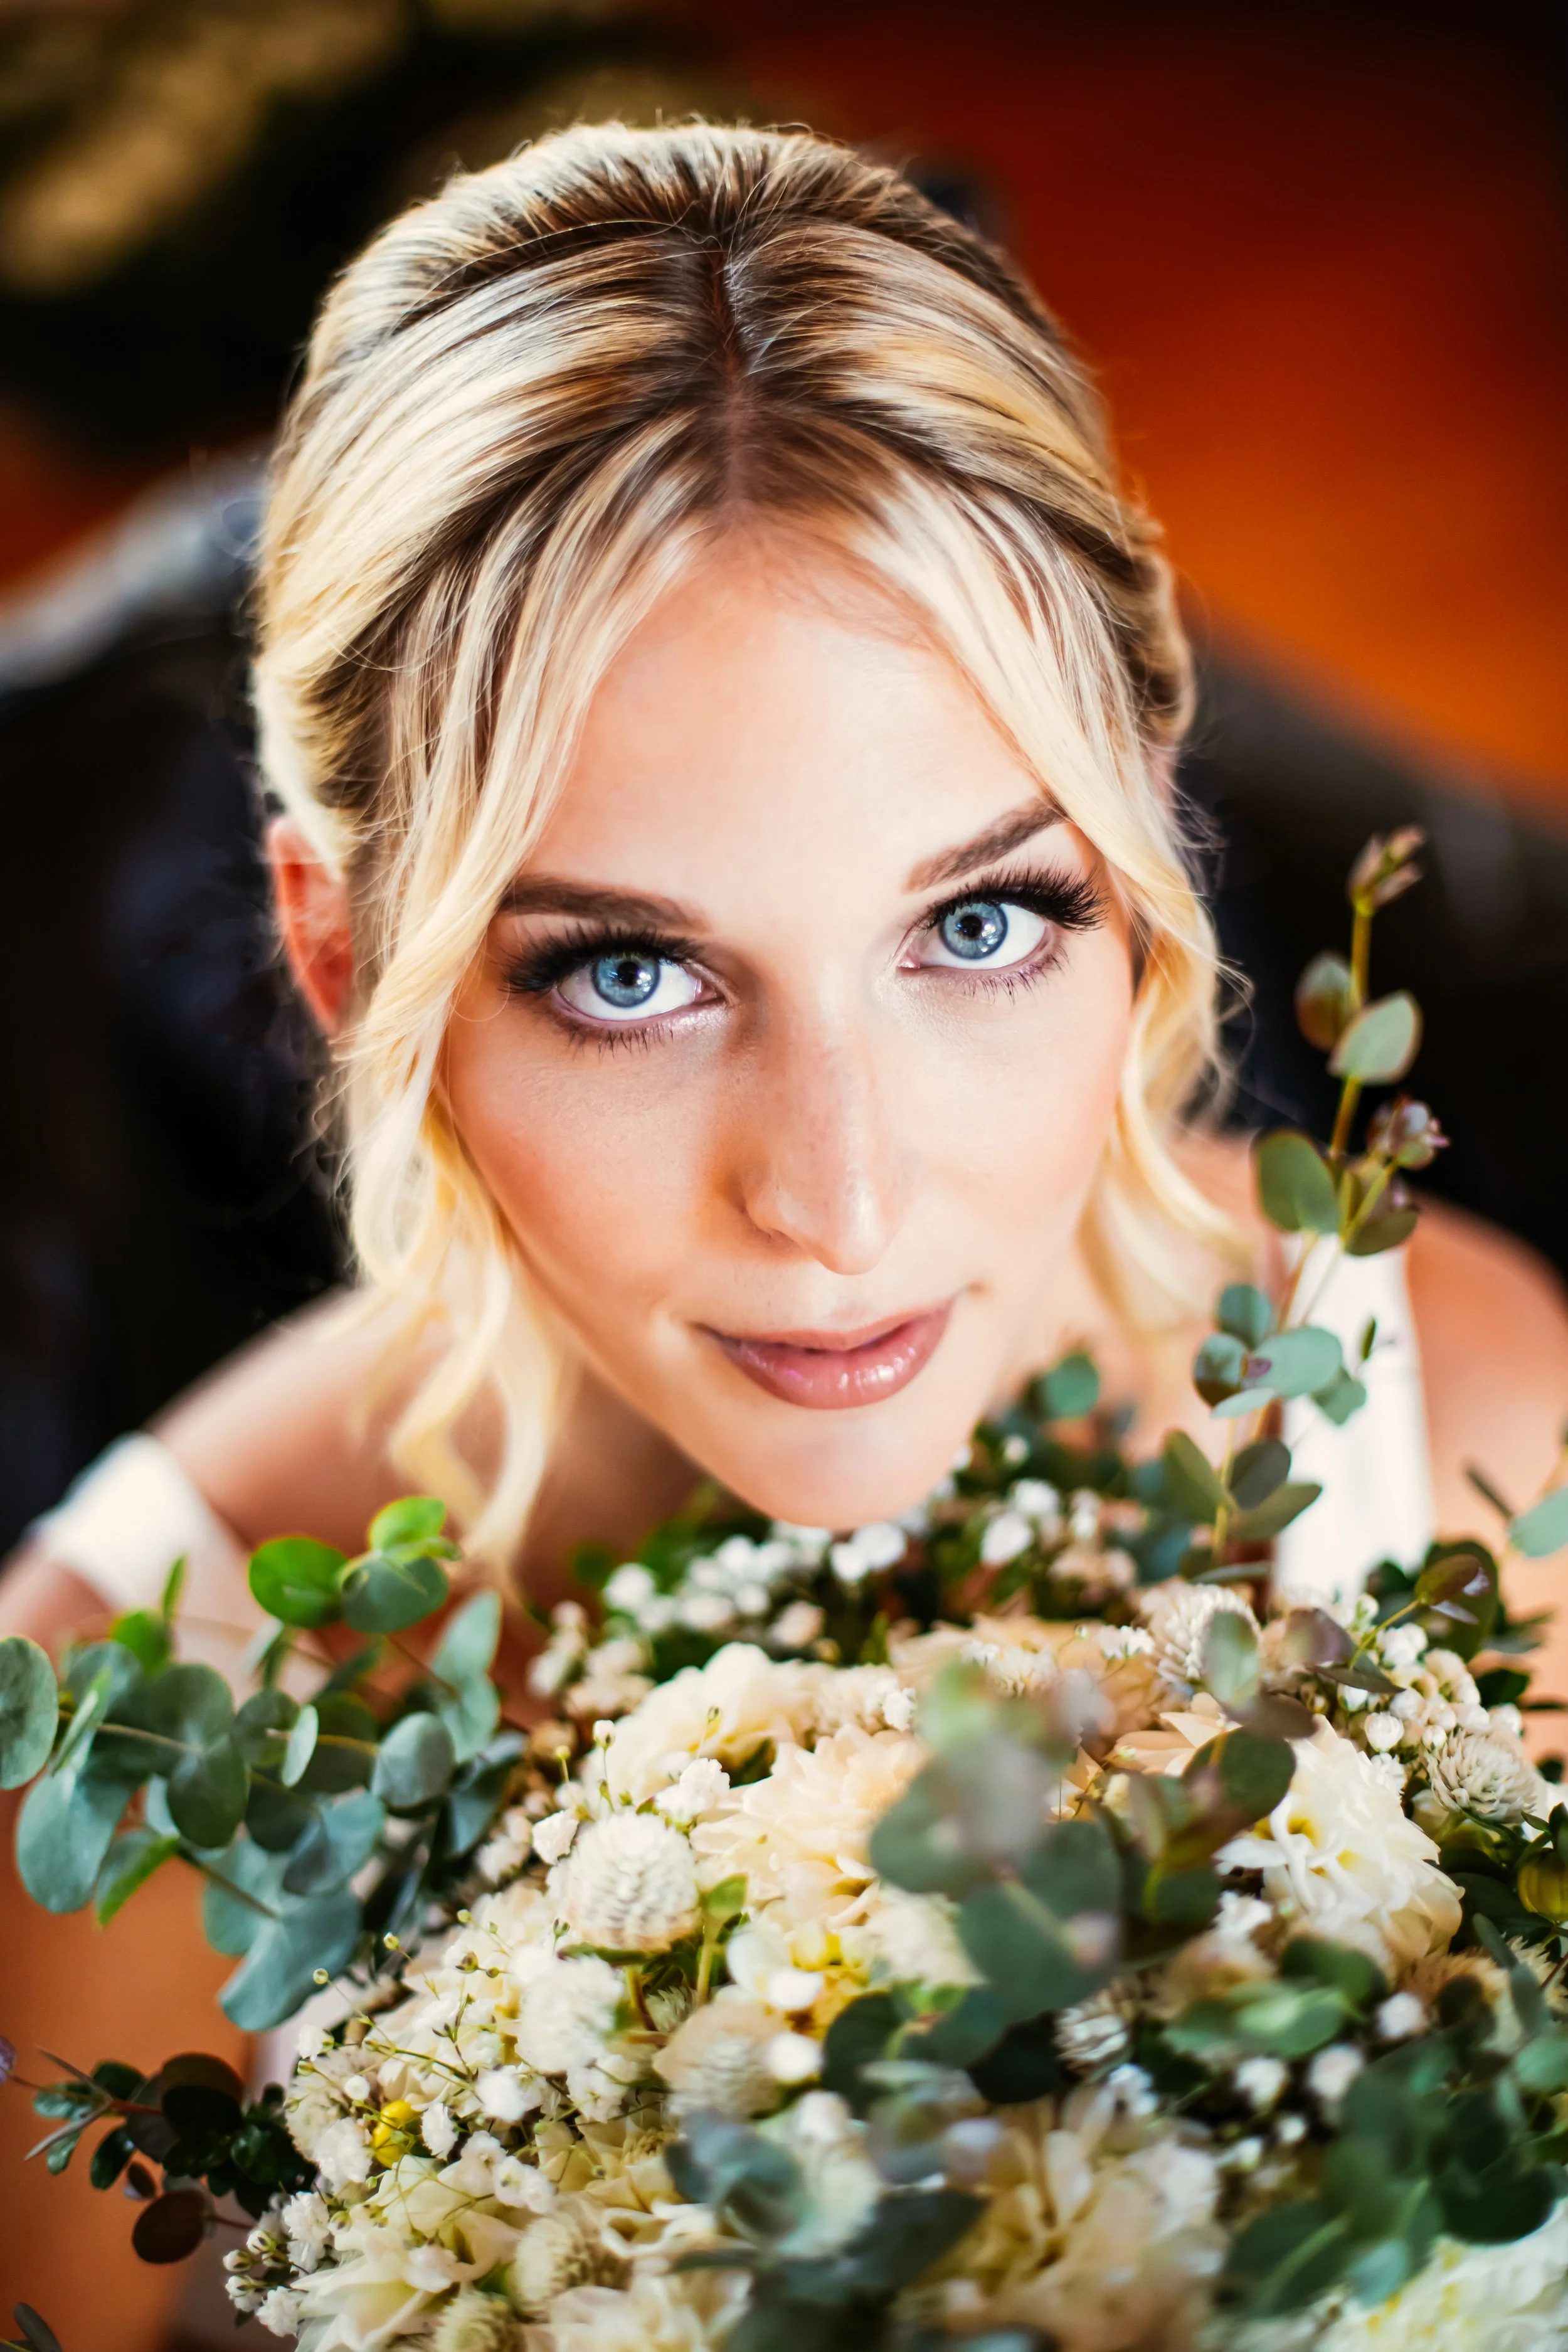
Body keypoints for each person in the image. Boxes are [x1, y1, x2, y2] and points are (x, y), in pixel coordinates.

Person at [4, 113, 1568, 2137]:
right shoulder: (118, 1734)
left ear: (1143, 825)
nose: (836, 1202)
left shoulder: (1452, 1425)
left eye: (982, 922)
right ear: (332, 950)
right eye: (630, 975)